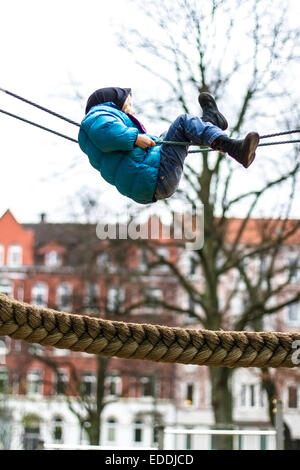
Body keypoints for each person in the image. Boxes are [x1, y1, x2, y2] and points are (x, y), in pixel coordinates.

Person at [78, 87, 259, 204]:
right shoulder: (98, 115)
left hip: (152, 181)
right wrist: (135, 138)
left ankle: (209, 122)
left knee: (173, 134)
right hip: (155, 176)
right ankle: (235, 148)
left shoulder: (98, 123)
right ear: (114, 101)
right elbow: (106, 132)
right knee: (182, 123)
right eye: (129, 104)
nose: (132, 110)